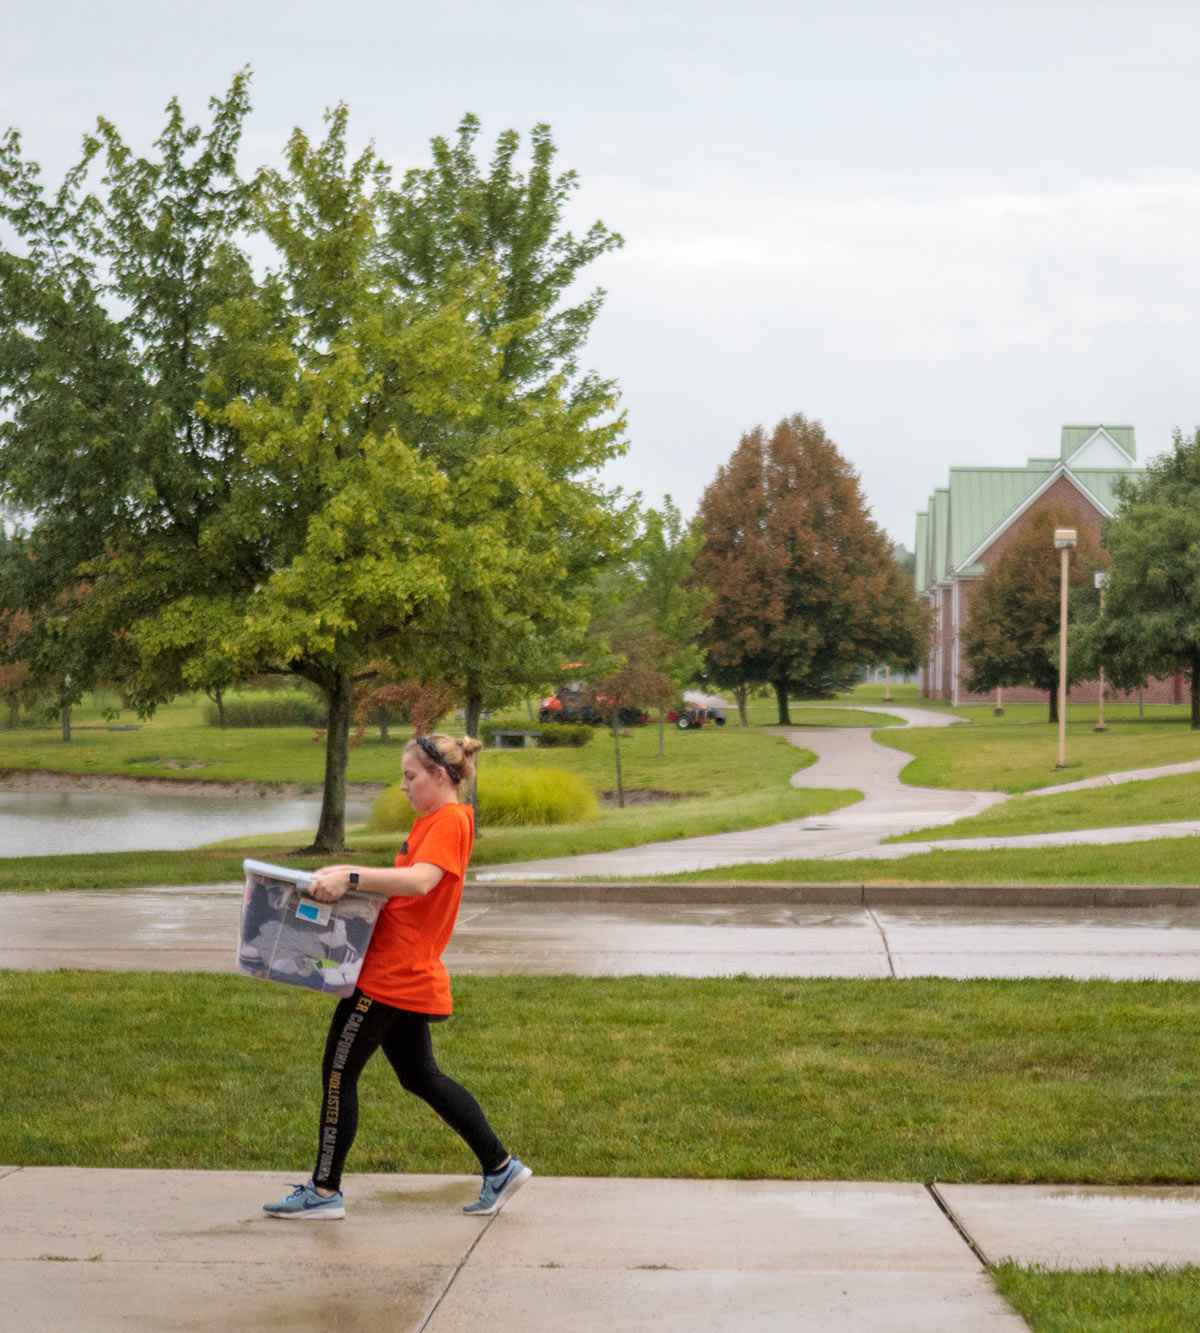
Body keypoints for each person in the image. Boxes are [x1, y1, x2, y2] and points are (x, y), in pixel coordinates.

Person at [263, 731, 530, 1221]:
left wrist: (353, 876)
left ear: (440, 777)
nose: (403, 786)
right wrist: (345, 871)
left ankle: (324, 1192)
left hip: (390, 976)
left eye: (411, 776)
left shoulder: (448, 820)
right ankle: (500, 1166)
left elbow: (421, 881)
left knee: (340, 1073)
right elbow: (402, 888)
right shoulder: (433, 821)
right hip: (402, 971)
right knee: (420, 1076)